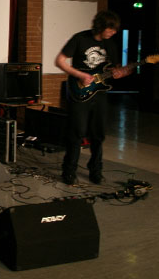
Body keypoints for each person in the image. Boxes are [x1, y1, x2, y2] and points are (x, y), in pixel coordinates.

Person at [55, 10, 132, 185]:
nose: (113, 32)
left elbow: (115, 69)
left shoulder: (110, 44)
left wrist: (121, 73)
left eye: (115, 29)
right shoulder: (80, 38)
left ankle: (96, 170)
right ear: (100, 26)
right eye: (110, 29)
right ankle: (69, 171)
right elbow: (59, 61)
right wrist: (80, 75)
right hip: (79, 91)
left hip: (100, 94)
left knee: (98, 134)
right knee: (76, 132)